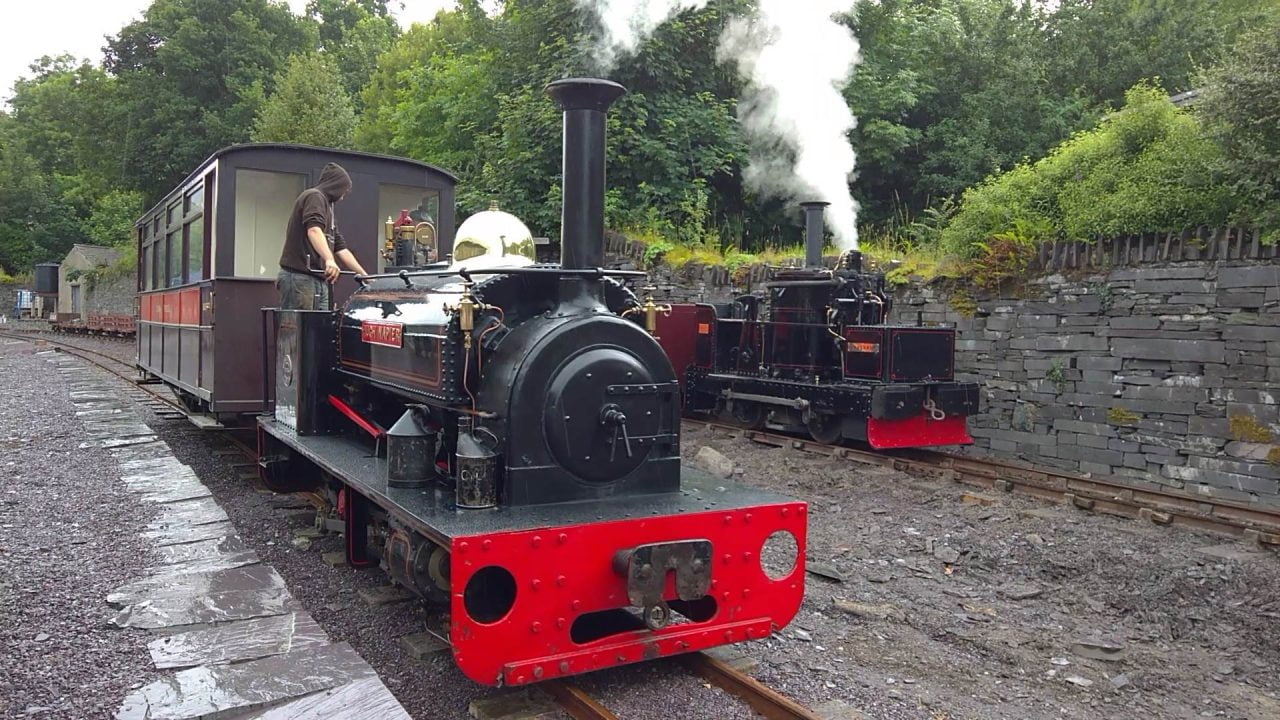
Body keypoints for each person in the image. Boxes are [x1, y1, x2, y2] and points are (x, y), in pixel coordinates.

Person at [277, 162, 369, 310]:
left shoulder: (328, 209)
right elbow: (313, 230)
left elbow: (341, 247)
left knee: (320, 329)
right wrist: (329, 260)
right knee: (301, 331)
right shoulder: (314, 197)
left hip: (318, 279)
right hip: (300, 277)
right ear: (335, 185)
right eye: (343, 192)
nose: (343, 197)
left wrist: (365, 277)